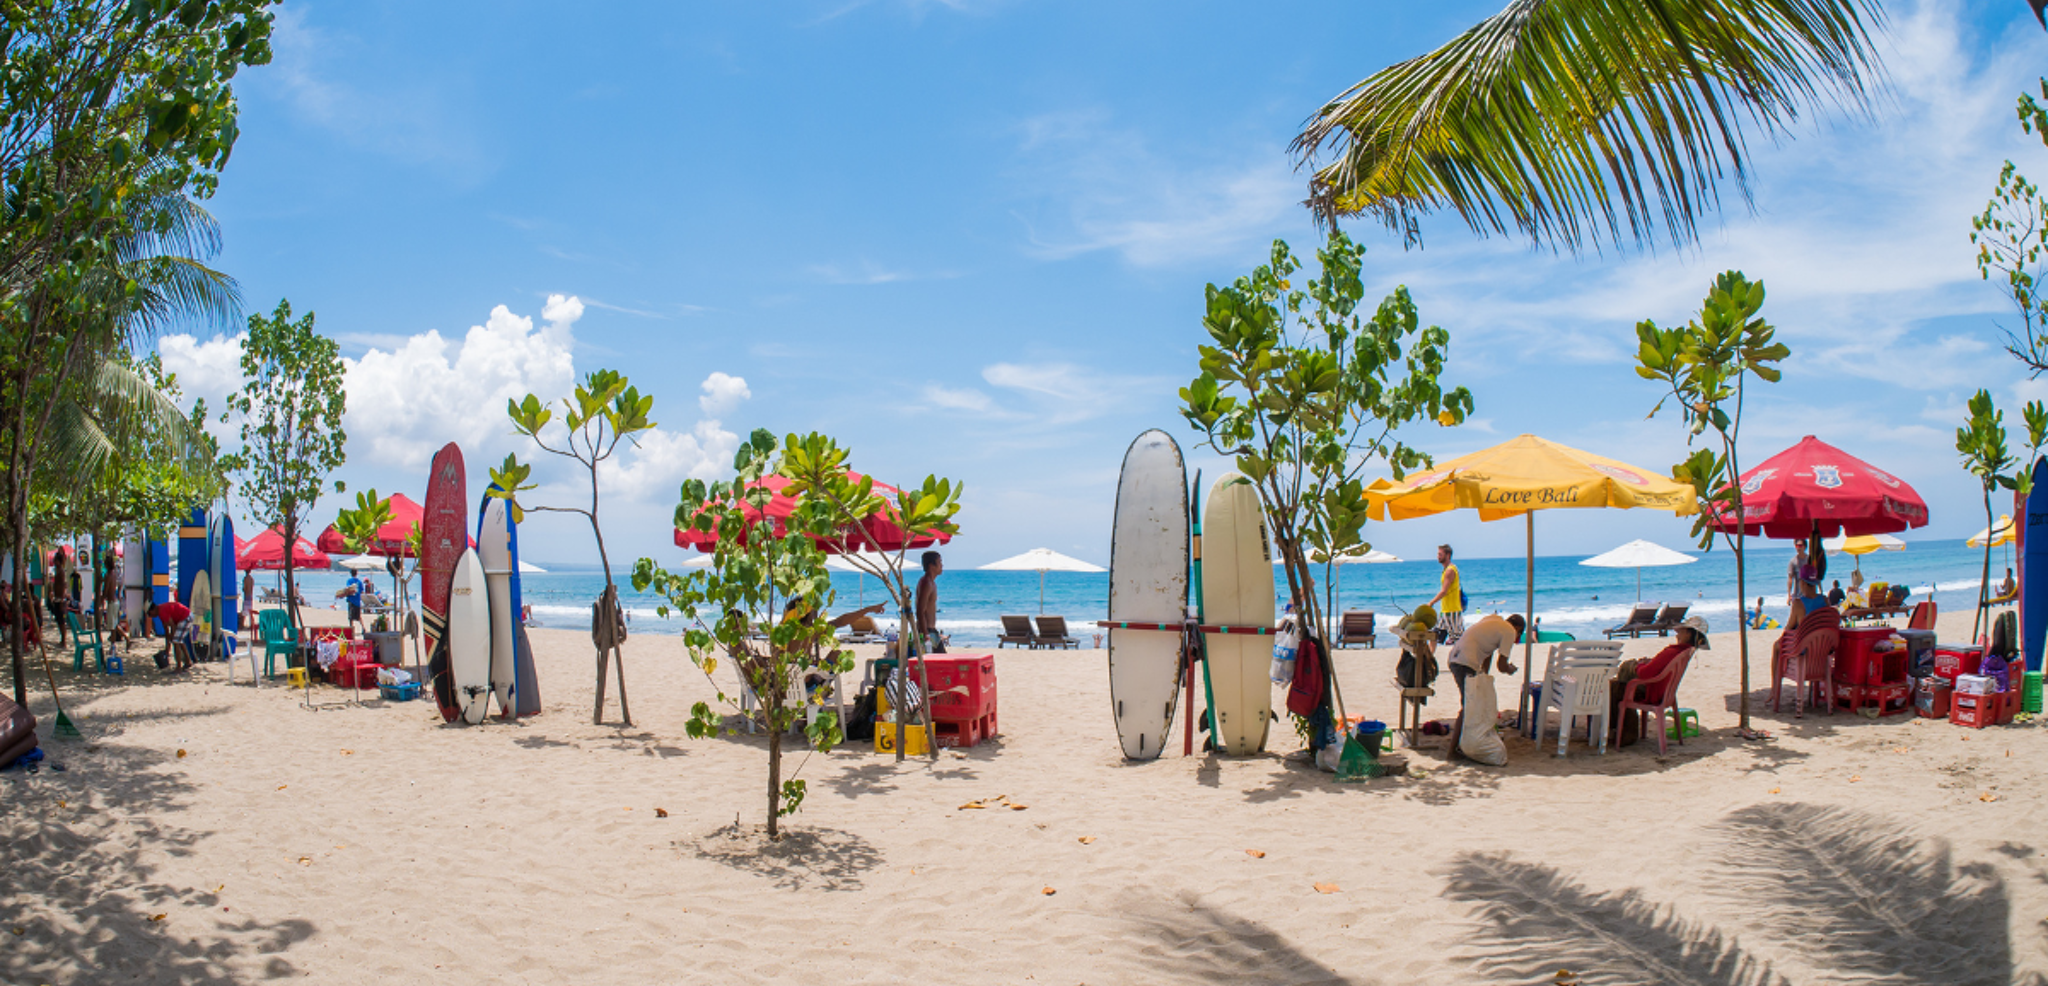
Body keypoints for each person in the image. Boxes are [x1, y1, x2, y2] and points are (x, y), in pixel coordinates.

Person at [1444, 612, 1524, 760]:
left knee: (1470, 704)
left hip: (1455, 657)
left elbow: (1487, 654)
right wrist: (1510, 669)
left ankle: (1461, 745)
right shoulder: (1509, 631)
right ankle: (1452, 751)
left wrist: (1483, 677)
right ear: (1518, 628)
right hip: (1466, 662)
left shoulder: (1492, 621)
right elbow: (1501, 665)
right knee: (1468, 707)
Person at [1427, 544, 1465, 645]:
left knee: (1458, 639)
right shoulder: (1446, 570)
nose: (1438, 556)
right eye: (1438, 554)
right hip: (1445, 611)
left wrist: (1431, 602)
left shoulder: (1450, 570)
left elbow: (1444, 591)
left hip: (1452, 611)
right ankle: (1429, 655)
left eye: (1440, 554)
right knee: (1434, 635)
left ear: (1448, 555)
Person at [916, 550, 945, 654]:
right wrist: (925, 634)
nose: (942, 565)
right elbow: (920, 610)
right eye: (939, 562)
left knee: (941, 660)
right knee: (940, 660)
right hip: (927, 631)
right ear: (931, 566)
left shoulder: (931, 583)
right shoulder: (926, 583)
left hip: (931, 630)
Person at [1786, 543, 1805, 608]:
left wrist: (1820, 591)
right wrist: (1789, 595)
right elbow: (1790, 578)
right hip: (1797, 594)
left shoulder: (1809, 560)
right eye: (1796, 546)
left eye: (1800, 545)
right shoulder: (1793, 561)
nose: (1798, 547)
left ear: (1804, 547)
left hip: (1809, 594)